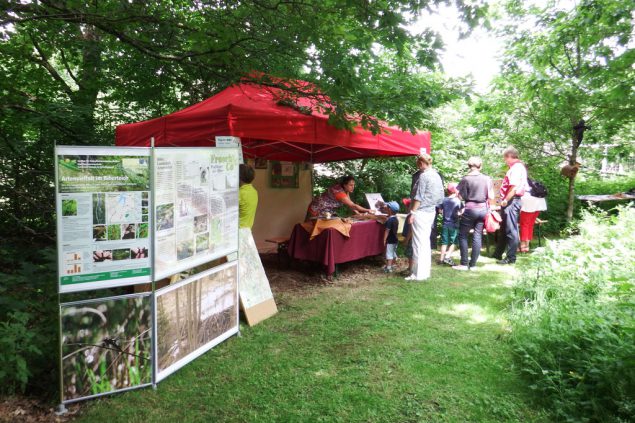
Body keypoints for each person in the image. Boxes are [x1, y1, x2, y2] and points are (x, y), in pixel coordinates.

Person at [406, 154, 444, 281]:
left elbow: (419, 196)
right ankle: (424, 272)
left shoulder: (424, 176)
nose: (419, 167)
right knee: (425, 242)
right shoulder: (437, 175)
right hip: (431, 211)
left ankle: (417, 274)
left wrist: (413, 213)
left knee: (417, 243)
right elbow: (440, 197)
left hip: (421, 212)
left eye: (418, 165)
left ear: (421, 163)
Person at [453, 157, 494, 271]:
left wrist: (458, 194)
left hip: (470, 209)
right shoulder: (487, 179)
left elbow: (460, 197)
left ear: (469, 166)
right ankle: (473, 265)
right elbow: (491, 197)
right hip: (483, 210)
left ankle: (464, 263)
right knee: (477, 235)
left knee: (463, 235)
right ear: (480, 166)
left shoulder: (465, 179)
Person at [493, 147, 528, 265]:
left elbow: (514, 187)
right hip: (510, 201)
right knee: (504, 229)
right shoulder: (515, 167)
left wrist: (505, 200)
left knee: (511, 230)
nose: (505, 160)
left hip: (512, 201)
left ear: (509, 156)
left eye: (505, 158)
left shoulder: (517, 168)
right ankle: (498, 253)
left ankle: (511, 257)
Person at [306, 175, 371, 219]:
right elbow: (353, 205)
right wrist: (368, 210)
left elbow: (350, 205)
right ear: (345, 185)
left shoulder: (346, 190)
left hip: (327, 210)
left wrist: (358, 214)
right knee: (311, 229)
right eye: (351, 185)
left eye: (354, 185)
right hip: (317, 209)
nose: (353, 187)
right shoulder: (339, 193)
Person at [438, 183, 462, 266]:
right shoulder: (458, 201)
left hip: (445, 224)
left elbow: (440, 211)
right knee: (454, 242)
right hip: (454, 225)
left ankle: (441, 259)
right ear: (456, 191)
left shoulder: (444, 199)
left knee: (444, 242)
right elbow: (461, 212)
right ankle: (447, 257)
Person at [519, 188, 547, 252]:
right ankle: (527, 245)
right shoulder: (532, 184)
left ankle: (523, 246)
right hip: (539, 202)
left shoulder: (522, 181)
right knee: (530, 224)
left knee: (525, 224)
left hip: (528, 202)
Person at [381, 201, 400, 273]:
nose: (386, 209)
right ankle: (392, 265)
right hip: (395, 239)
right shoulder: (396, 219)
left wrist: (384, 239)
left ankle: (388, 268)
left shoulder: (390, 220)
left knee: (389, 254)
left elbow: (387, 231)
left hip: (390, 239)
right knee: (393, 252)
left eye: (387, 208)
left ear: (390, 210)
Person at [239, 164, 258, 229]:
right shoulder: (254, 191)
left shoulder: (240, 193)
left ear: (240, 177)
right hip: (247, 232)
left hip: (238, 233)